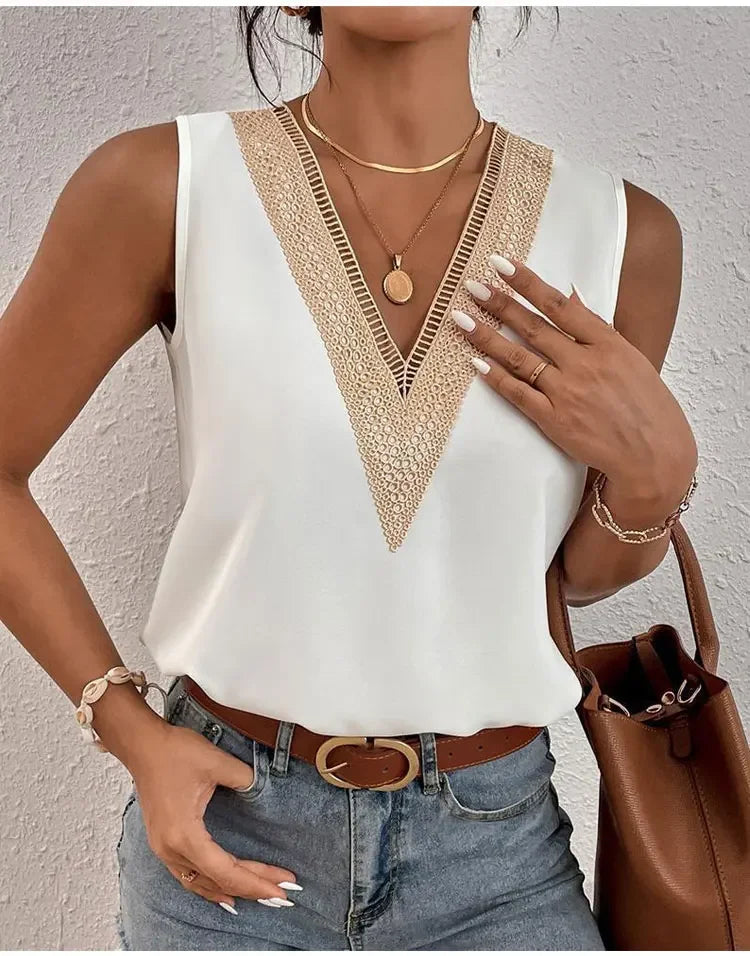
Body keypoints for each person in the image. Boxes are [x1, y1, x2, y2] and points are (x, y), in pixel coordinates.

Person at [0, 5, 699, 951]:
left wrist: (658, 476)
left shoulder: (620, 232)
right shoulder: (166, 185)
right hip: (226, 847)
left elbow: (573, 577)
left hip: (498, 864)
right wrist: (130, 731)